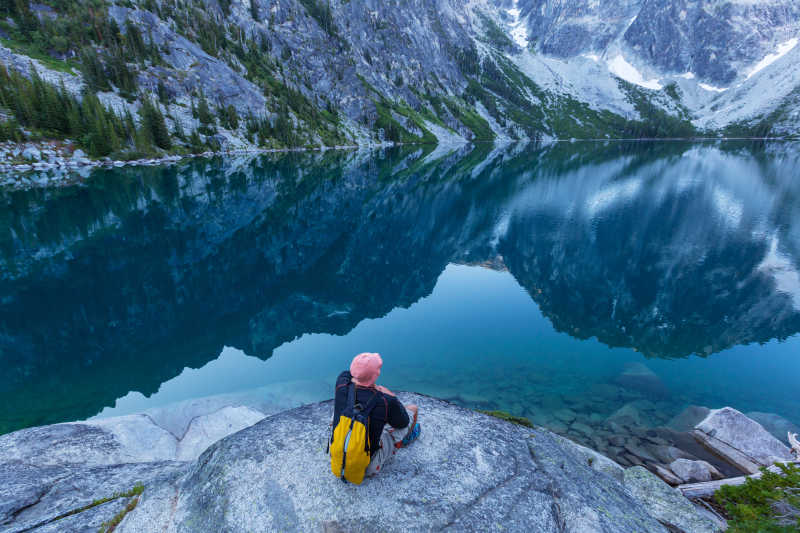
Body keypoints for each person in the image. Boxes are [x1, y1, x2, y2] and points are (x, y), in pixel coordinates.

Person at [332, 352, 420, 477]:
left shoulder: (341, 384)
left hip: (339, 454)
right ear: (376, 375)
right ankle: (404, 440)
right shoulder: (385, 400)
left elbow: (348, 374)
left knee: (342, 411)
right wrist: (391, 396)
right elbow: (403, 422)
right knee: (412, 409)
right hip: (366, 464)